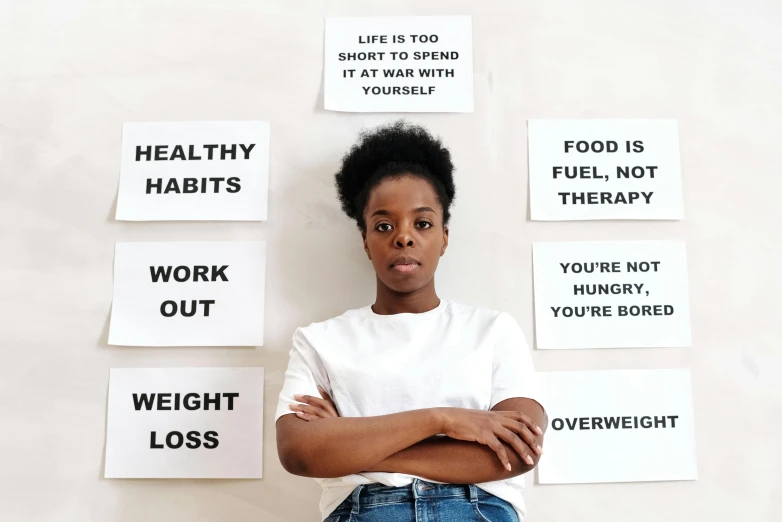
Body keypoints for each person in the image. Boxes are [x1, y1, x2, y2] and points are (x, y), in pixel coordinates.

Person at [275, 120, 547, 522]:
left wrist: (352, 447)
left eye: (422, 223)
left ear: (444, 237)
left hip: (475, 510)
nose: (403, 237)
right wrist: (445, 419)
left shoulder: (493, 331)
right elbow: (299, 452)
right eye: (384, 226)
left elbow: (517, 451)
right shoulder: (319, 341)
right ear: (366, 241)